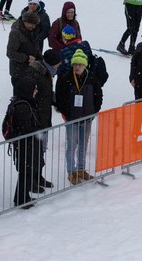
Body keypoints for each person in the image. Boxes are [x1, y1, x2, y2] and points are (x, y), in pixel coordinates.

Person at [54, 49, 103, 185]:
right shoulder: (66, 78)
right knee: (71, 145)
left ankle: (81, 169)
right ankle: (71, 171)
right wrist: (67, 113)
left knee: (83, 144)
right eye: (75, 64)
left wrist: (94, 111)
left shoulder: (91, 78)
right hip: (72, 119)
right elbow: (60, 98)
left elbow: (98, 95)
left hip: (87, 118)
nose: (77, 67)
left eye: (80, 64)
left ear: (85, 65)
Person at [9, 76, 44, 208]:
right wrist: (37, 129)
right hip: (26, 145)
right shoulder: (23, 106)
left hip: (26, 145)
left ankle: (22, 197)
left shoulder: (23, 101)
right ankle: (22, 199)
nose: (36, 91)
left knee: (26, 171)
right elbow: (25, 129)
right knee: (26, 171)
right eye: (34, 89)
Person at [7, 10, 41, 86]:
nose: (34, 27)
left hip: (30, 71)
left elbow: (35, 47)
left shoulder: (33, 31)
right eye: (32, 24)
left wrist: (40, 59)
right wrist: (27, 58)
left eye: (35, 24)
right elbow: (10, 53)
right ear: (25, 22)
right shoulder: (15, 33)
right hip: (18, 73)